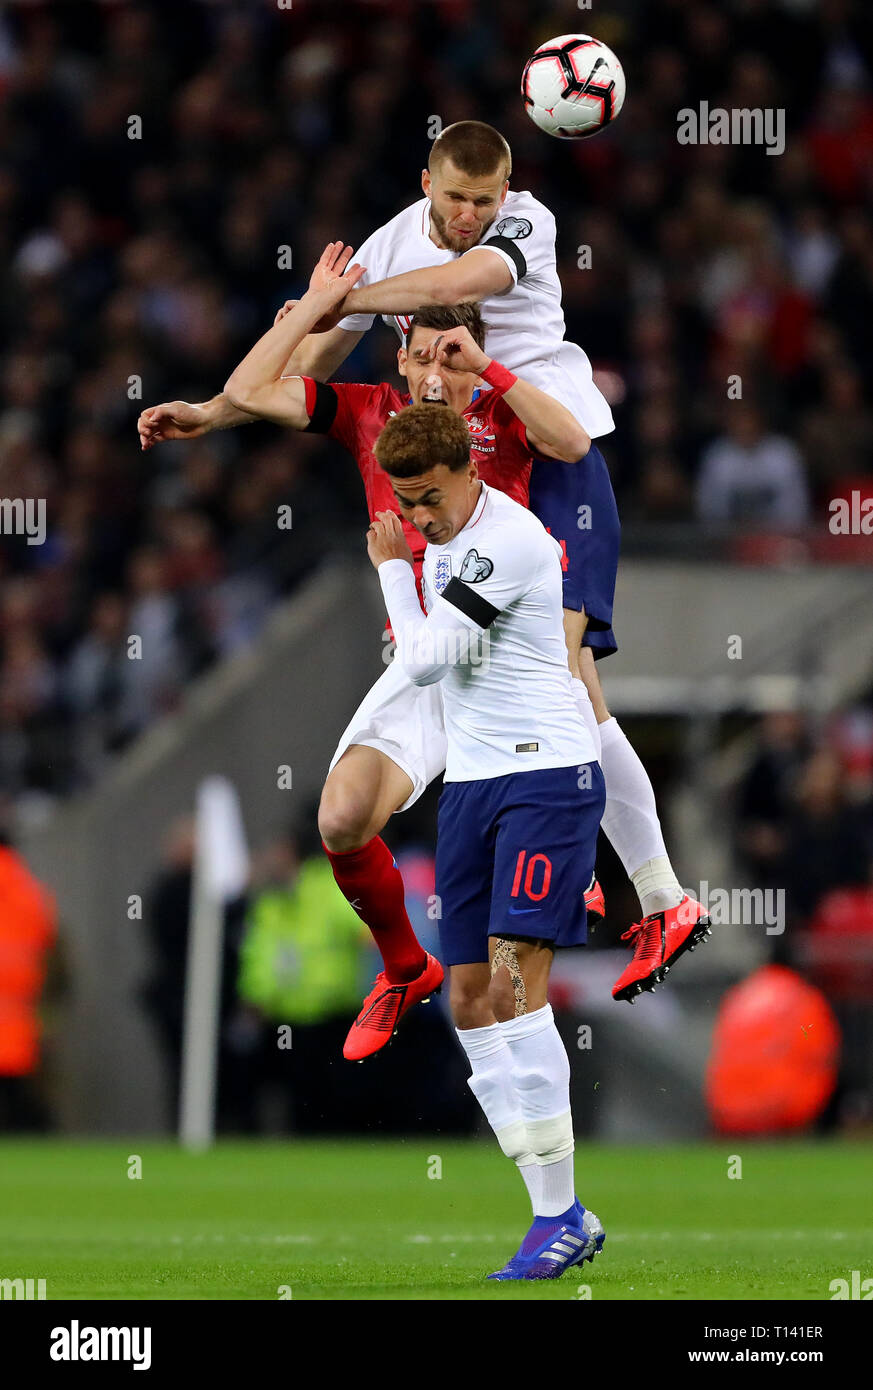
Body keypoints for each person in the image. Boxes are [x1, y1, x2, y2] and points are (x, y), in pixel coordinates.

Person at [252, 120, 710, 1003]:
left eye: (482, 201)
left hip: (557, 465)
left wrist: (345, 300)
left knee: (571, 679)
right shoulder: (389, 243)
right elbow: (308, 363)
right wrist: (289, 334)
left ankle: (657, 895)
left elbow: (464, 282)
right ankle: (612, 882)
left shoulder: (525, 222)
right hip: (492, 479)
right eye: (455, 199)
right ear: (424, 182)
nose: (468, 216)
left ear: (506, 194)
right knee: (523, 684)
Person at [140, 244, 601, 1059]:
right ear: (398, 357)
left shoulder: (500, 415)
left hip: (500, 662)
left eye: (448, 356)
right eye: (419, 354)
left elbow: (571, 442)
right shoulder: (367, 411)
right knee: (342, 816)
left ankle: (612, 877)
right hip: (424, 662)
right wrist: (324, 306)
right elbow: (248, 393)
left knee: (509, 974)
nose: (432, 372)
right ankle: (401, 967)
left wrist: (489, 373)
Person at [366, 399, 606, 1280]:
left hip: (545, 778)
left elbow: (427, 656)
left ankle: (557, 1214)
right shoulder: (445, 536)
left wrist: (394, 572)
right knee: (468, 996)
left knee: (512, 983)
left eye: (428, 497)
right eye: (405, 501)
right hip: (471, 784)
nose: (418, 517)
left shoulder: (508, 541)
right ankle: (555, 1205)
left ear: (469, 471)